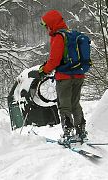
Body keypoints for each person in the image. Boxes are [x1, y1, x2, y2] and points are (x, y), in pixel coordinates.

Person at [38, 10, 87, 142]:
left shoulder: (58, 37)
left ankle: (68, 133)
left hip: (64, 77)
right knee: (75, 104)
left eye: (46, 25)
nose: (46, 28)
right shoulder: (71, 35)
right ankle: (81, 130)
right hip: (79, 75)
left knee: (64, 106)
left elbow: (54, 60)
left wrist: (44, 70)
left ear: (51, 24)